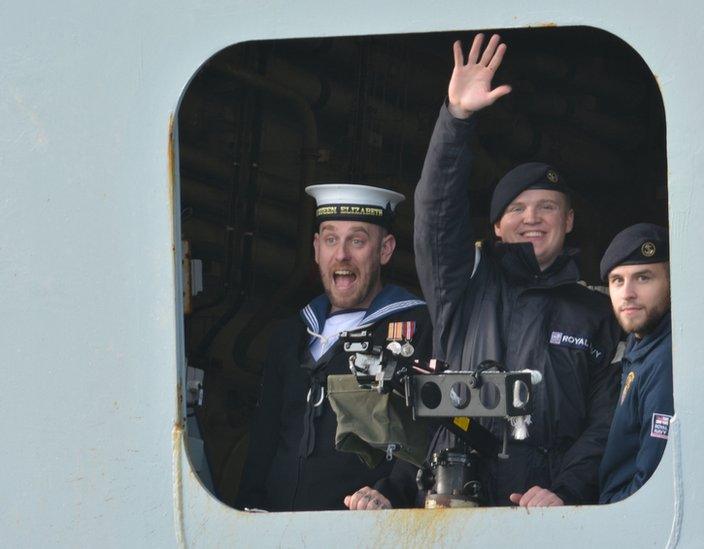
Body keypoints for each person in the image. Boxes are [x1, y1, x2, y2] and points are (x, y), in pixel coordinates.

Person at [346, 33, 619, 510]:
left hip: (547, 516)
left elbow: (605, 424)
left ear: (569, 221)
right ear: (496, 226)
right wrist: (457, 119)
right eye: (517, 209)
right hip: (454, 510)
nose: (531, 218)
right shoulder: (465, 287)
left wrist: (566, 493)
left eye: (546, 207)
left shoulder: (599, 312)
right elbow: (434, 216)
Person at [236, 183, 432, 511]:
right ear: (316, 248)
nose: (341, 254)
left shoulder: (417, 327)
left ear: (385, 250)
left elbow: (430, 430)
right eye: (330, 239)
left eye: (357, 240)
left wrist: (393, 493)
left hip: (363, 528)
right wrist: (247, 506)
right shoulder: (291, 333)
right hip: (276, 527)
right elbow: (264, 436)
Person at [597, 223, 674, 504]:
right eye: (618, 280)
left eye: (643, 278)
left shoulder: (667, 359)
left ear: (671, 282)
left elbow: (652, 487)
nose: (627, 292)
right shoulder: (639, 345)